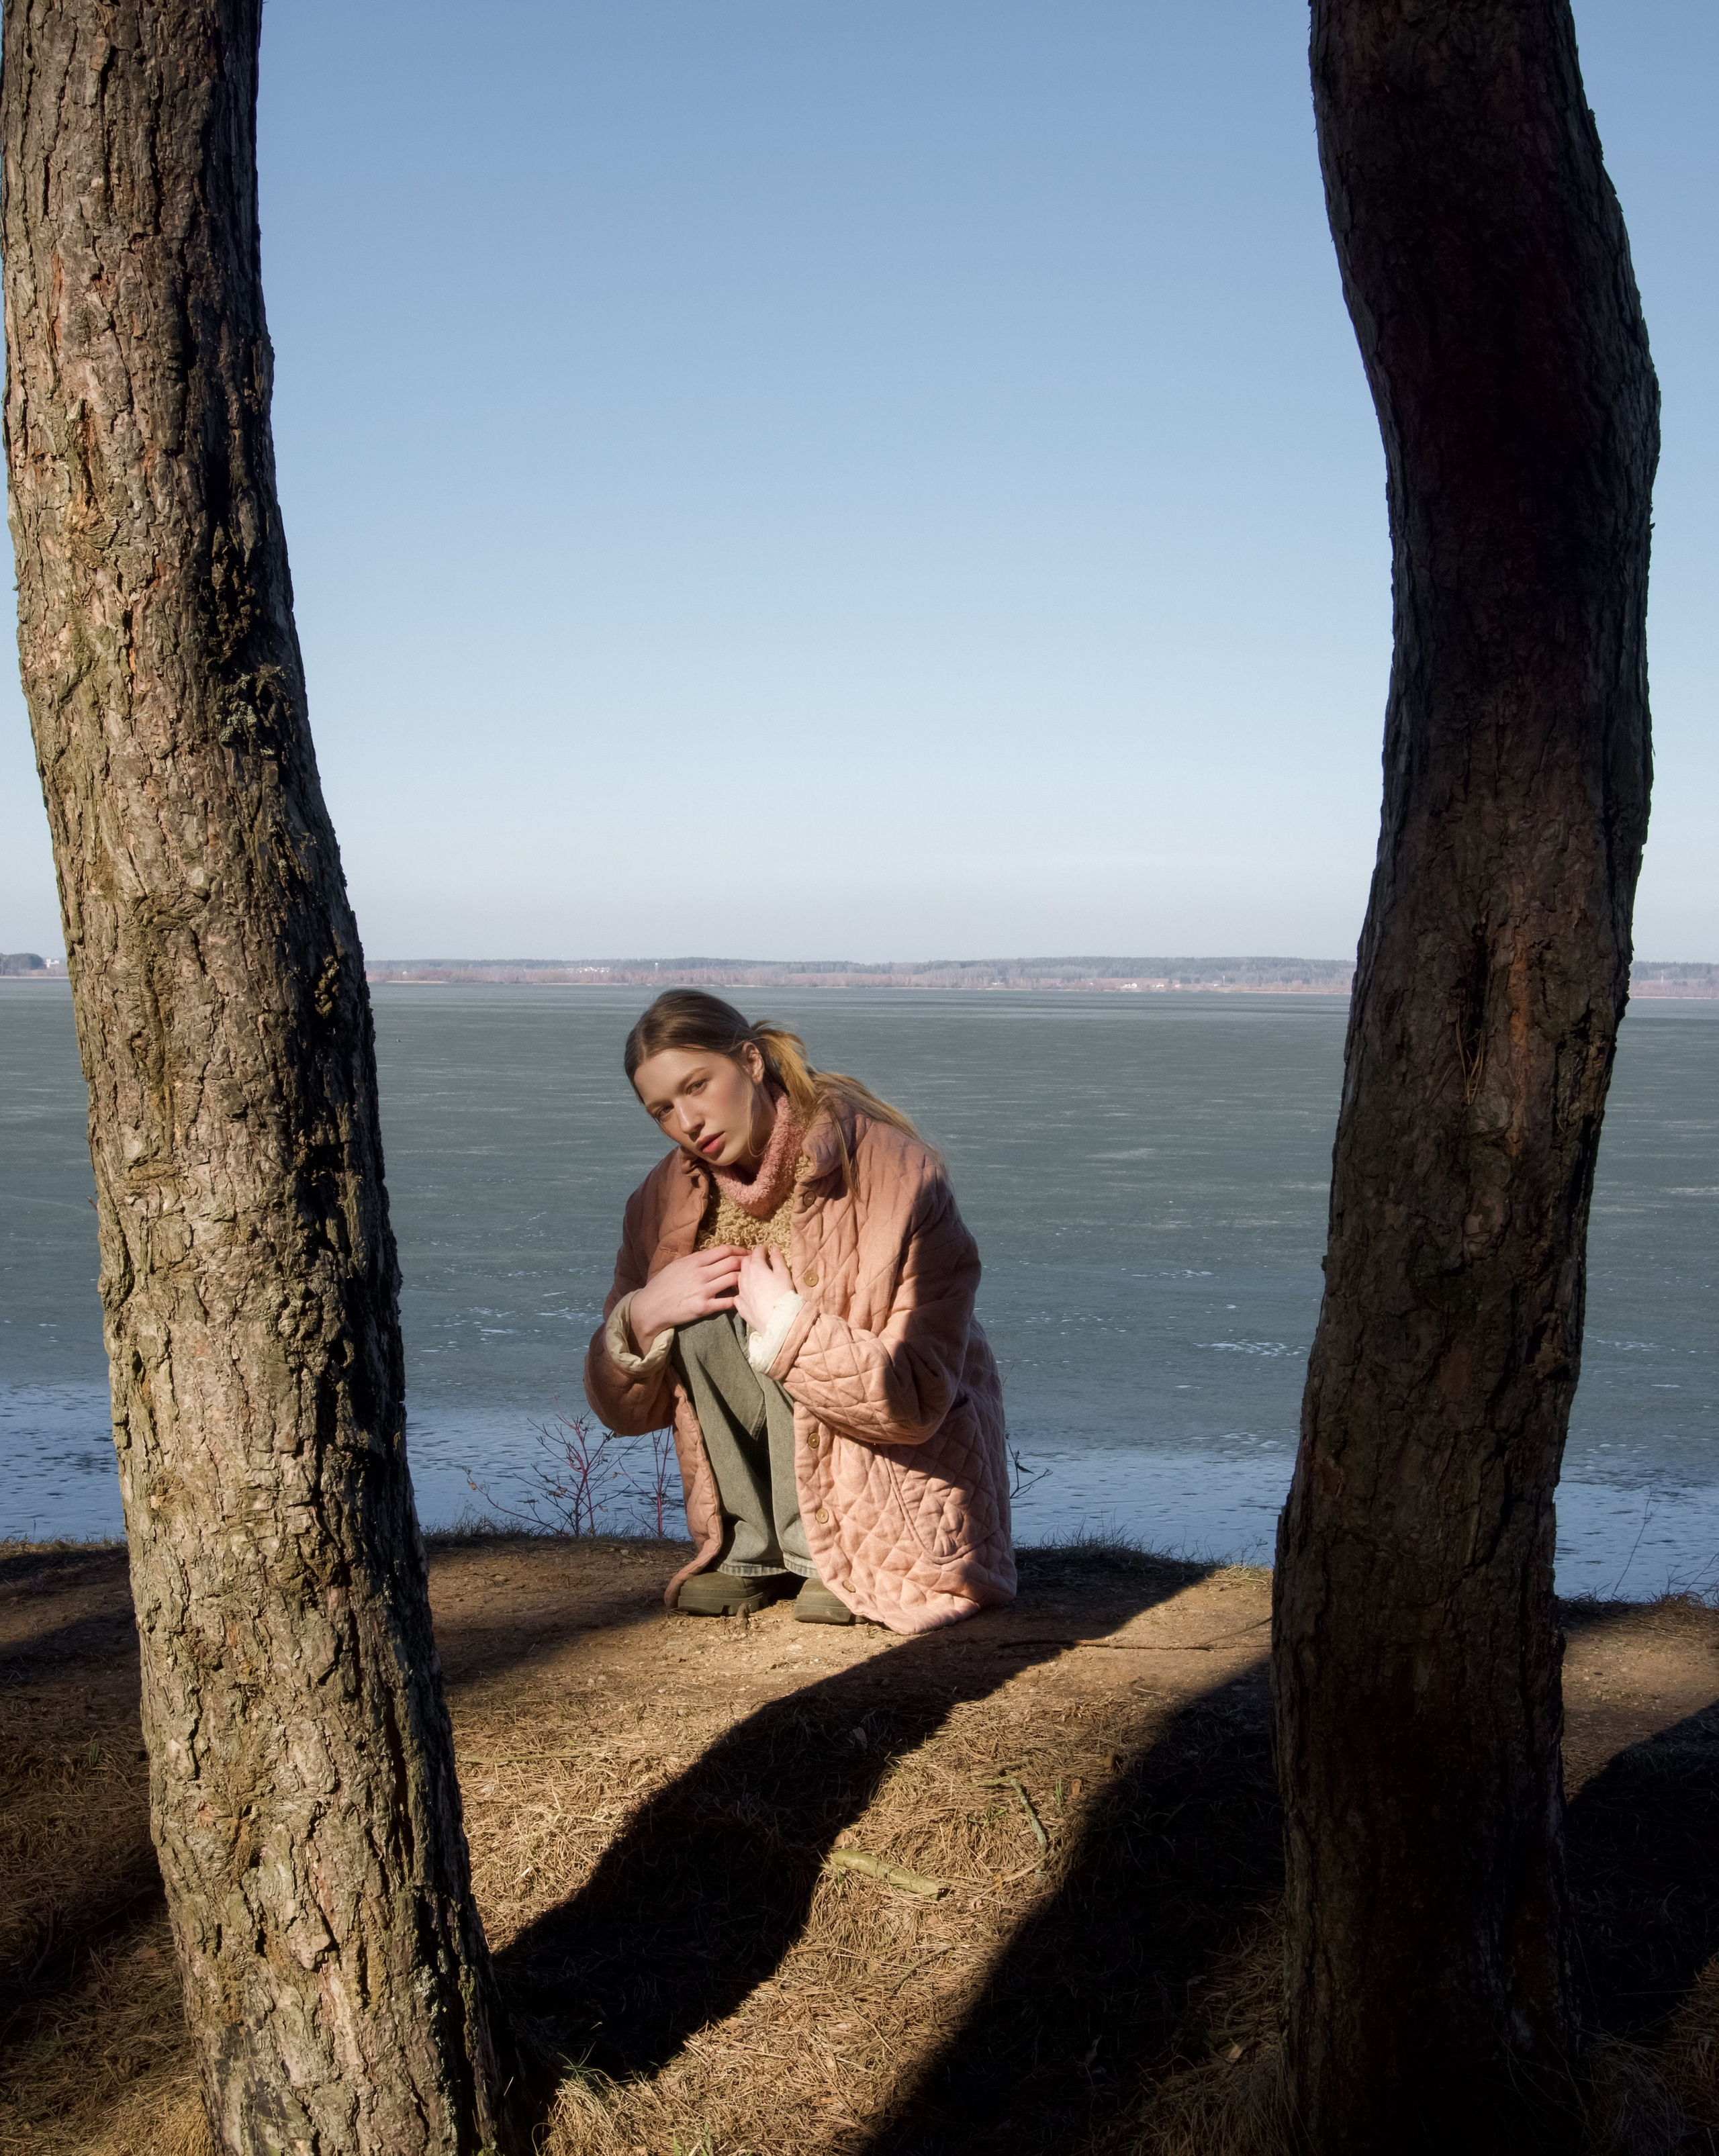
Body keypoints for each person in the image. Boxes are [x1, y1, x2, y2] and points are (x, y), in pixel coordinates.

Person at [583, 991, 1015, 1634]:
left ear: (751, 1061)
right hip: (749, 1511)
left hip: (898, 1489)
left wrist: (786, 1322)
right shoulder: (661, 1199)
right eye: (663, 1109)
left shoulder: (895, 1173)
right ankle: (755, 1549)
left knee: (777, 1312)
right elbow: (627, 1412)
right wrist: (642, 1317)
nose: (688, 1120)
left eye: (698, 1085)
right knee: (696, 1314)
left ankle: (823, 1556)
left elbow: (917, 1395)